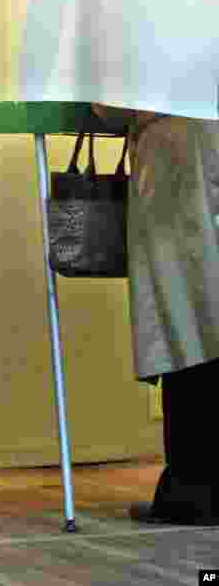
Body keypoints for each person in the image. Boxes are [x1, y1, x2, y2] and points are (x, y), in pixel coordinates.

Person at [94, 105, 219, 526]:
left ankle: (194, 488)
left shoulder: (156, 39)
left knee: (187, 326)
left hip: (180, 161)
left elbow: (113, 107)